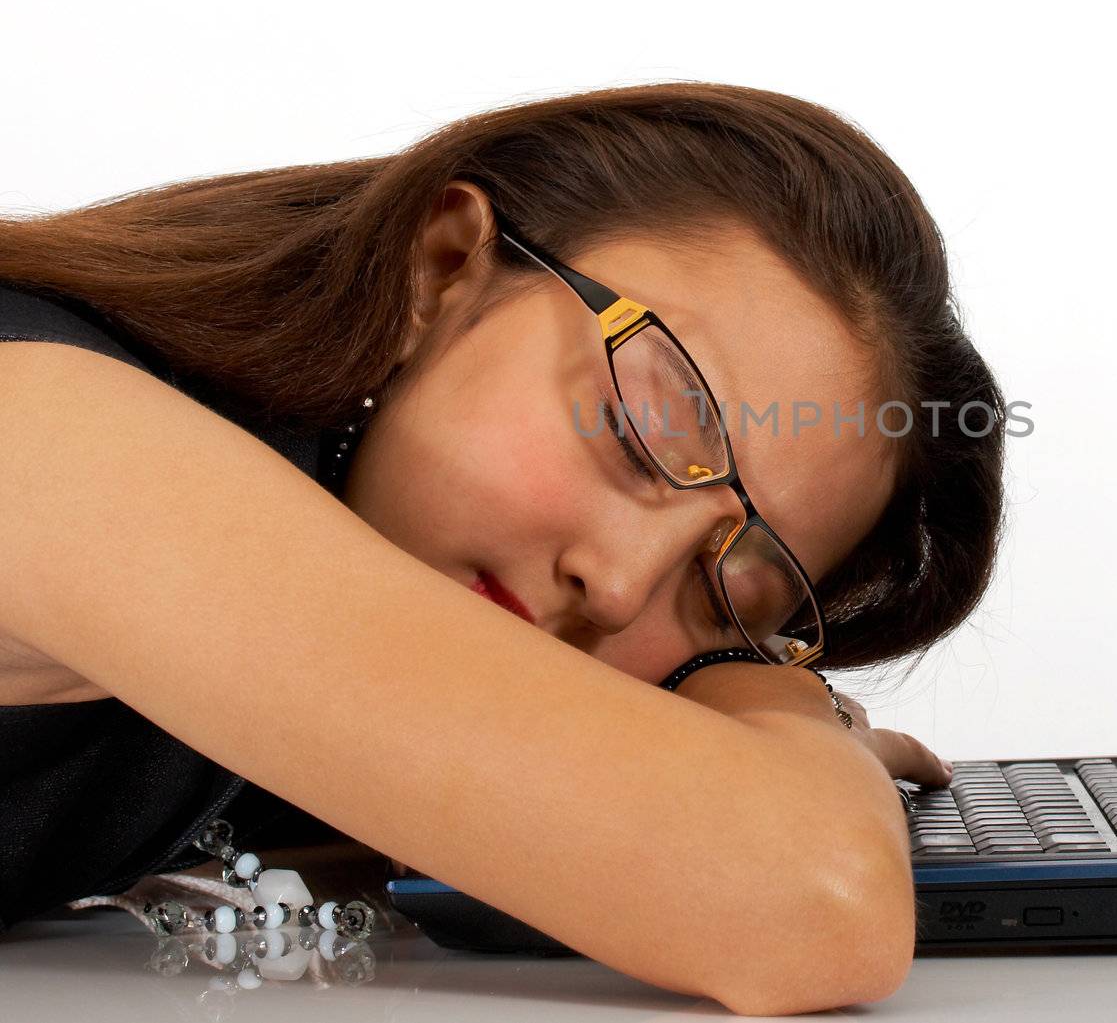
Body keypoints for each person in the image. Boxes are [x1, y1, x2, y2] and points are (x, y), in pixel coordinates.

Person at [0, 82, 1006, 1012]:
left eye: (726, 597)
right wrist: (779, 699)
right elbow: (811, 901)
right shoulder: (46, 434)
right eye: (641, 429)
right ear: (441, 269)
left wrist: (736, 762)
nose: (615, 584)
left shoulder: (312, 573)